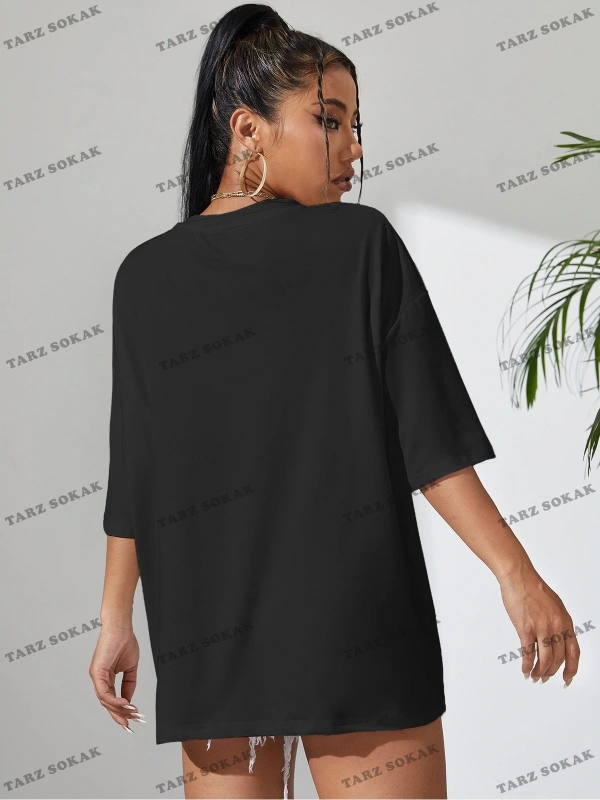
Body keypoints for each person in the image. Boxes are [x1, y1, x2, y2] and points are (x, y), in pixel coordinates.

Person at [89, 4, 580, 798]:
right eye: (329, 121)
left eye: (356, 126)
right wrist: (517, 575)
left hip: (210, 635)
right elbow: (432, 443)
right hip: (357, 629)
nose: (353, 148)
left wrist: (116, 621)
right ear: (247, 131)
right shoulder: (359, 245)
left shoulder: (144, 276)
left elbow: (133, 468)